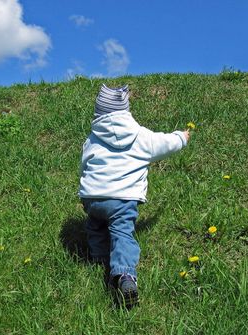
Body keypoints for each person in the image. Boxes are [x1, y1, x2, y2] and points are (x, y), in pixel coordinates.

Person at [79, 84, 189, 307]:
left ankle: (99, 258)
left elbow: (84, 166)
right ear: (126, 110)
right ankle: (125, 275)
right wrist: (182, 137)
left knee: (95, 225)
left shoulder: (92, 139)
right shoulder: (141, 137)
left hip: (92, 196)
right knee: (122, 235)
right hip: (122, 200)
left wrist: (88, 189)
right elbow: (166, 143)